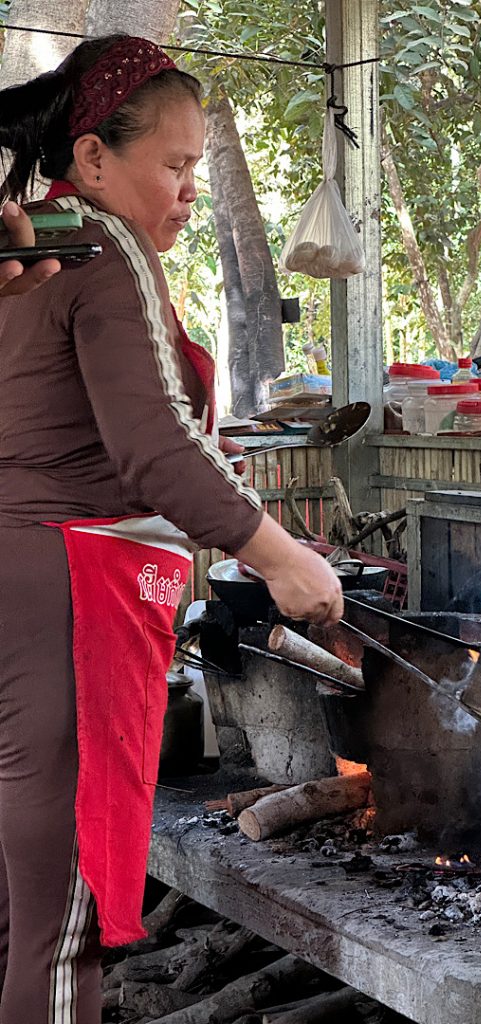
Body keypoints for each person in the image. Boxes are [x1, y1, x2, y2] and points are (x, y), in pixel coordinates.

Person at [0, 34, 344, 1024]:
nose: (192, 188)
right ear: (97, 158)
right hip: (69, 596)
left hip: (20, 588)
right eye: (177, 165)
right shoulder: (105, 248)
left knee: (15, 917)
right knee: (63, 924)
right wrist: (280, 555)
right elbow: (153, 447)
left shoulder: (33, 248)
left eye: (199, 167)